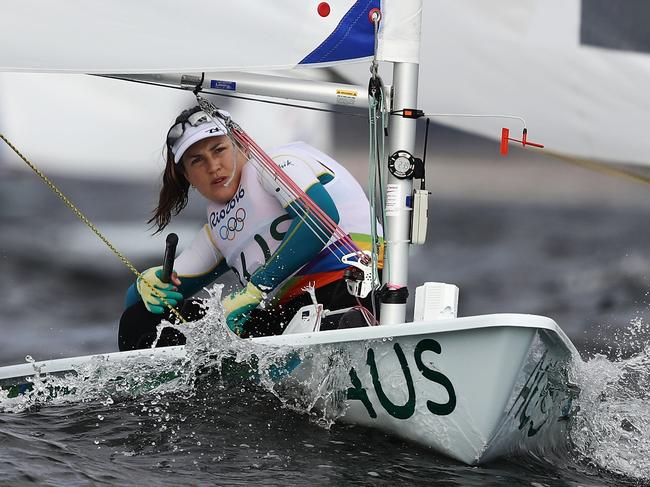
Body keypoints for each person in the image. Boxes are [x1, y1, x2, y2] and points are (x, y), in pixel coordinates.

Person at [118, 106, 380, 351]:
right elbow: (143, 307)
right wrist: (144, 286)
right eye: (197, 160)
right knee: (138, 320)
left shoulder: (278, 164)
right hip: (291, 316)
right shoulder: (216, 232)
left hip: (352, 288)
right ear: (188, 177)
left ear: (241, 146)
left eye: (219, 149)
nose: (213, 166)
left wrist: (255, 290)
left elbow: (319, 220)